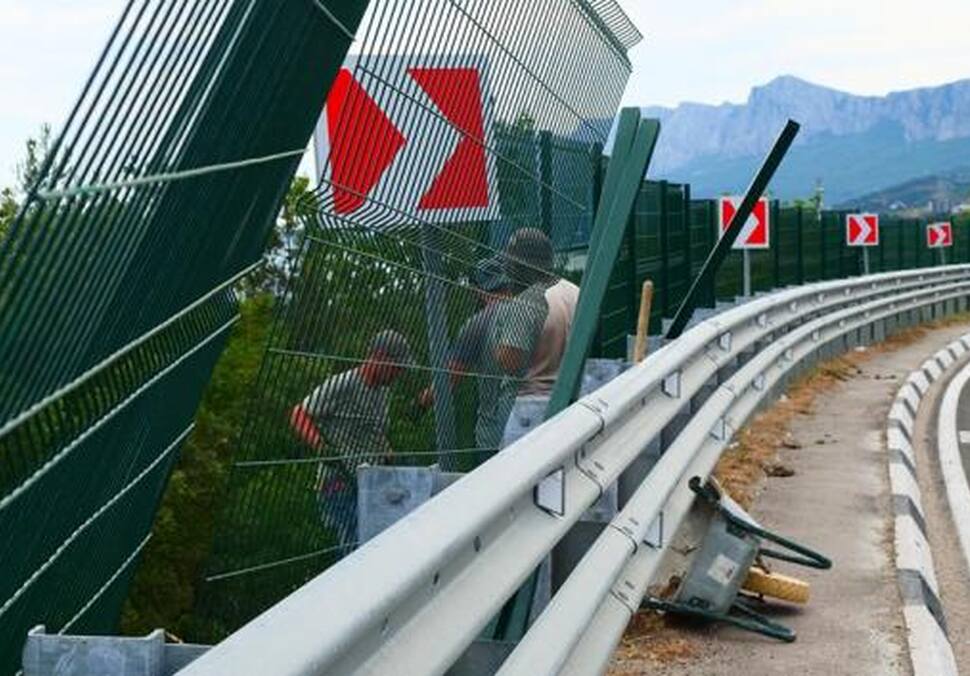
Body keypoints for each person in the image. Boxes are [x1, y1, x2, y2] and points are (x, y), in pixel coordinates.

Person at [289, 329, 412, 549]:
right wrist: (320, 446)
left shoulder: (383, 391)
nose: (399, 373)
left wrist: (386, 451)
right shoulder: (343, 383)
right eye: (396, 366)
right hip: (338, 484)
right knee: (356, 548)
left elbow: (371, 429)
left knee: (377, 545)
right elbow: (299, 413)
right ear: (380, 356)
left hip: (369, 483)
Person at [475, 228, 553, 455]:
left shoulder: (523, 304)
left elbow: (511, 361)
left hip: (522, 413)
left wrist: (498, 351)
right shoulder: (556, 294)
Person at [501, 268, 580, 447]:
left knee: (517, 470)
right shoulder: (576, 291)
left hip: (532, 404)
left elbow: (510, 361)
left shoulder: (527, 300)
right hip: (573, 397)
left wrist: (498, 351)